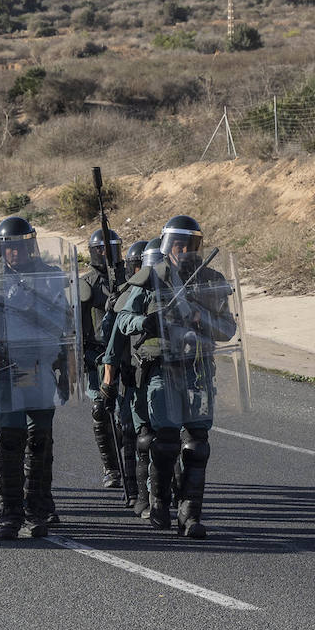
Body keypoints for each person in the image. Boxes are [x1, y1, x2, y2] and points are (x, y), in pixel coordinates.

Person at [116, 216, 239, 538]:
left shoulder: (211, 280)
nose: (183, 251)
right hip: (161, 370)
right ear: (168, 245)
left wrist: (201, 316)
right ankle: (159, 502)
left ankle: (190, 516)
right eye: (178, 244)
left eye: (190, 245)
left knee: (198, 447)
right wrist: (147, 324)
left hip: (197, 371)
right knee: (167, 442)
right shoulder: (150, 278)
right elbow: (124, 319)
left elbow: (228, 329)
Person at [0, 216, 76, 539]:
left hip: (39, 368)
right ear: (0, 250)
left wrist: (66, 365)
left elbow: (65, 324)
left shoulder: (49, 279)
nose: (15, 254)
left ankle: (38, 508)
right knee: (9, 441)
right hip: (6, 371)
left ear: (31, 246)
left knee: (39, 441)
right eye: (9, 249)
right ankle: (10, 511)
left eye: (21, 247)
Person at [97, 240, 150, 511]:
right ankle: (134, 491)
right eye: (138, 266)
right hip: (131, 375)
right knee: (131, 435)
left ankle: (161, 491)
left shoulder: (161, 289)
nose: (143, 270)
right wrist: (111, 309)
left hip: (158, 373)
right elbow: (109, 341)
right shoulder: (125, 296)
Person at [80, 227, 124, 490]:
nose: (107, 254)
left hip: (126, 354)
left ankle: (131, 465)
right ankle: (110, 467)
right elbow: (74, 322)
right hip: (97, 354)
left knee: (129, 416)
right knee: (101, 411)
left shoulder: (130, 277)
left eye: (111, 248)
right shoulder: (86, 283)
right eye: (101, 249)